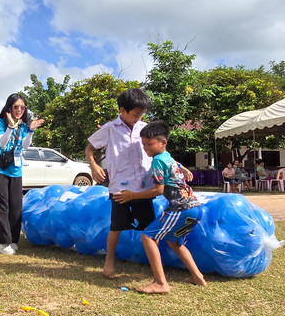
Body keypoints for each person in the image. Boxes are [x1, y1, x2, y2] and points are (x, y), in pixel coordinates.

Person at [113, 121, 205, 294]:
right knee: (174, 242)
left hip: (180, 209)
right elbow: (174, 165)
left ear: (163, 142)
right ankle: (197, 277)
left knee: (147, 236)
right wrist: (184, 168)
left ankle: (160, 283)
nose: (146, 148)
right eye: (143, 145)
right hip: (195, 208)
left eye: (149, 144)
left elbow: (158, 190)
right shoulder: (167, 157)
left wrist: (131, 195)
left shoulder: (157, 161)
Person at [85, 88, 155, 279]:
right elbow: (89, 148)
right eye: (135, 114)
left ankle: (155, 264)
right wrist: (93, 166)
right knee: (116, 227)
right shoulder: (110, 129)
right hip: (120, 188)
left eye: (141, 114)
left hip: (143, 188)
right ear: (122, 110)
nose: (138, 118)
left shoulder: (145, 128)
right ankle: (109, 259)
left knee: (149, 229)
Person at [0, 93, 44, 255]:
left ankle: (12, 240)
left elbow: (25, 146)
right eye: (16, 106)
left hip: (16, 169)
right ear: (9, 107)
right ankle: (1, 243)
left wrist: (31, 130)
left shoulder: (23, 125)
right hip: (0, 169)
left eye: (22, 107)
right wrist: (10, 127)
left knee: (16, 207)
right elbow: (2, 144)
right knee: (3, 206)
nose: (19, 110)